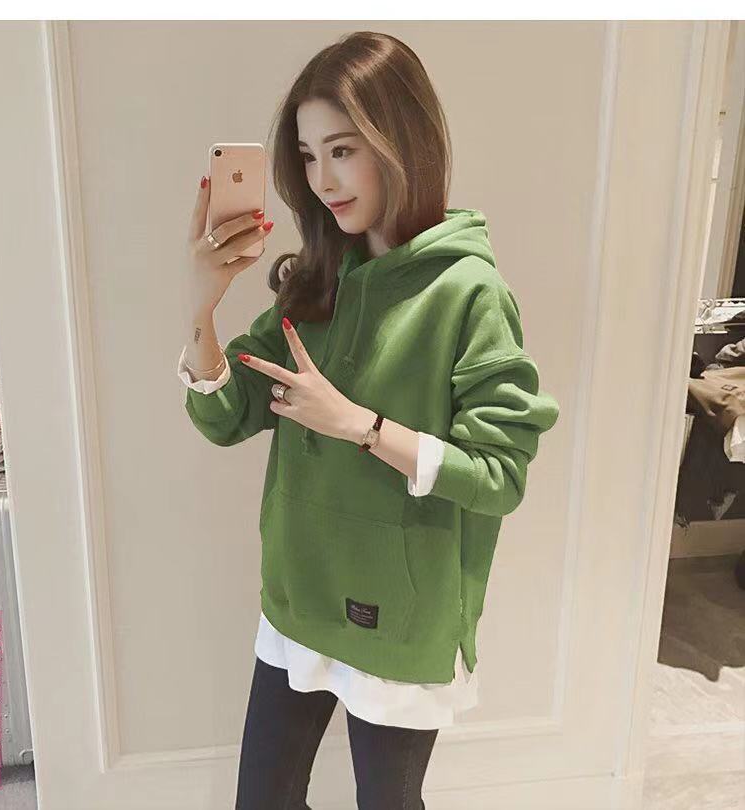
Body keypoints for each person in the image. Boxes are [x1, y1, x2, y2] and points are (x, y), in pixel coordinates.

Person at [178, 31, 560, 810]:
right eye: (308, 155)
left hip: (401, 616)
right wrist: (201, 302)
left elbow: (498, 478)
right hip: (300, 594)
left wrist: (360, 425)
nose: (322, 180)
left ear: (401, 140)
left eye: (343, 150)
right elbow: (226, 415)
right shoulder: (318, 281)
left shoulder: (469, 294)